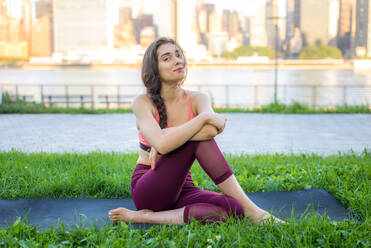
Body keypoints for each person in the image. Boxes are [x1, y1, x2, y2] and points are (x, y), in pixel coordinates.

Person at [108, 37, 283, 225]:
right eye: (167, 58)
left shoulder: (198, 98)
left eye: (178, 54)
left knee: (233, 210)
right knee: (195, 141)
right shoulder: (142, 102)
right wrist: (200, 119)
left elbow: (210, 131)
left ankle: (145, 216)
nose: (177, 60)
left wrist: (168, 136)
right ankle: (254, 211)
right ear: (154, 69)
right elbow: (165, 144)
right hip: (149, 186)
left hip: (185, 187)